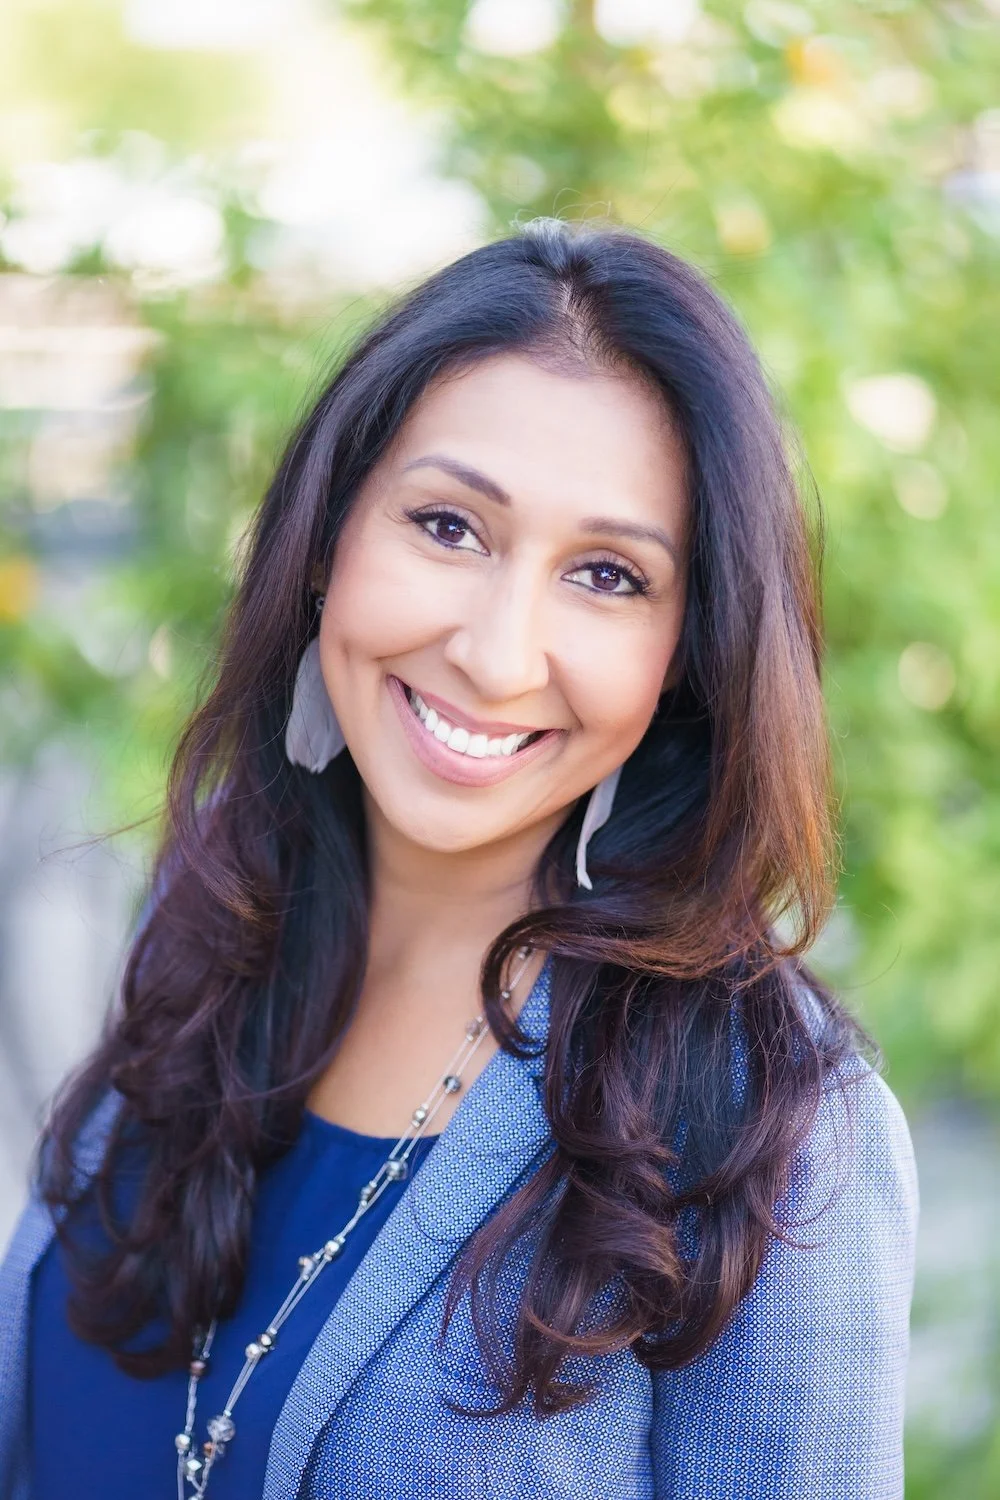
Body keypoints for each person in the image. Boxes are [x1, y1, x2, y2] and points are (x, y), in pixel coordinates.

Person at [0, 218, 918, 1500]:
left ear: (688, 653)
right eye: (447, 527)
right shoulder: (205, 930)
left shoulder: (764, 1115)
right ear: (327, 540)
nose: (496, 653)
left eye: (606, 574)